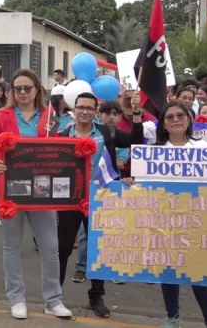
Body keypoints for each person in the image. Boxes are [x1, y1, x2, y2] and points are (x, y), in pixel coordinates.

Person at [0, 69, 72, 320]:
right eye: (18, 88)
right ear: (12, 91)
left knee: (51, 248)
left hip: (43, 191)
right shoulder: (1, 116)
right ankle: (16, 298)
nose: (22, 93)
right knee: (11, 247)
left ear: (37, 90)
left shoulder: (50, 116)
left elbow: (59, 151)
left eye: (27, 88)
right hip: (13, 190)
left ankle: (53, 299)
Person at [56, 92, 143, 318]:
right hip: (70, 202)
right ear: (73, 110)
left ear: (96, 111)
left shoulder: (107, 132)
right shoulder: (62, 135)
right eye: (80, 107)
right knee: (63, 249)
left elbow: (135, 139)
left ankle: (97, 297)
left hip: (101, 199)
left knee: (98, 250)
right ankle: (55, 297)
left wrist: (135, 113)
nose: (84, 111)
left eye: (89, 108)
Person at [150, 101, 207, 328]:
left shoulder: (203, 149)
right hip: (165, 222)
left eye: (180, 115)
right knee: (168, 272)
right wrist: (132, 180)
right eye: (169, 117)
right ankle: (172, 317)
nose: (176, 120)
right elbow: (145, 186)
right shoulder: (154, 153)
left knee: (200, 275)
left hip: (197, 221)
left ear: (189, 119)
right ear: (163, 124)